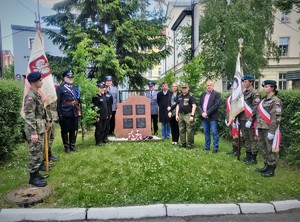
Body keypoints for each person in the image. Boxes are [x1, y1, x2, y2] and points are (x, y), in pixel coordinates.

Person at [24, 71, 48, 187]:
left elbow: (40, 112)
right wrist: (33, 132)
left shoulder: (36, 94)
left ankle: (37, 173)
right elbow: (29, 116)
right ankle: (33, 178)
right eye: (40, 80)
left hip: (39, 127)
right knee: (35, 152)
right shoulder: (30, 96)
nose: (42, 82)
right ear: (33, 82)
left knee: (39, 152)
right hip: (34, 129)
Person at [256, 80, 282, 177]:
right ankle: (266, 165)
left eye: (266, 86)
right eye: (264, 86)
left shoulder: (276, 101)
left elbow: (276, 117)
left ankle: (271, 169)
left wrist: (271, 131)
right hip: (261, 128)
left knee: (271, 149)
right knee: (263, 148)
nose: (264, 88)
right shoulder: (264, 100)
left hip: (269, 129)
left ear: (272, 88)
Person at [56, 70, 81, 153]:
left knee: (73, 129)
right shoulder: (60, 88)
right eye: (68, 77)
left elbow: (78, 100)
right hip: (65, 112)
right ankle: (66, 147)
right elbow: (58, 102)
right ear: (64, 78)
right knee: (65, 130)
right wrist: (59, 114)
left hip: (74, 112)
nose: (70, 78)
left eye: (71, 77)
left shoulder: (76, 88)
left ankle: (72, 146)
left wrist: (79, 110)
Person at [238, 74, 261, 164]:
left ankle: (253, 158)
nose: (244, 83)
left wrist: (251, 120)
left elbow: (256, 108)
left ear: (251, 82)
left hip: (251, 120)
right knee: (246, 138)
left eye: (246, 81)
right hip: (243, 119)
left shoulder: (255, 93)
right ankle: (248, 155)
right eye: (243, 81)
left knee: (252, 139)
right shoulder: (244, 93)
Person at [198, 80, 221, 153]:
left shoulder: (217, 94)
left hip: (212, 117)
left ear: (213, 86)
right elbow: (199, 105)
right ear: (206, 86)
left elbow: (216, 105)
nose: (208, 86)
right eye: (207, 85)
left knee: (214, 132)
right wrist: (202, 113)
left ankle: (215, 148)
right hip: (204, 117)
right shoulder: (203, 94)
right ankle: (207, 146)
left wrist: (207, 113)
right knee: (206, 132)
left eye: (210, 85)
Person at [176, 83, 196, 149]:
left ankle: (190, 144)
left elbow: (194, 106)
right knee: (181, 129)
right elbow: (178, 106)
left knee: (189, 130)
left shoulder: (191, 96)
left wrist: (192, 115)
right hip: (181, 114)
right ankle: (183, 144)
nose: (184, 89)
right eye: (183, 88)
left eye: (185, 88)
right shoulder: (179, 96)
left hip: (188, 114)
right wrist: (176, 115)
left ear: (188, 88)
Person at [92, 82, 110, 146]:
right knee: (99, 129)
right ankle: (98, 142)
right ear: (97, 88)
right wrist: (96, 116)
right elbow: (94, 108)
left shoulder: (103, 96)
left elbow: (105, 106)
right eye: (100, 88)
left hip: (105, 115)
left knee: (103, 129)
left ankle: (101, 140)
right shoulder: (96, 97)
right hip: (99, 116)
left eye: (103, 88)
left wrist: (107, 114)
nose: (102, 89)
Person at [225, 80, 239, 156]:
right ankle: (234, 149)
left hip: (235, 119)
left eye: (233, 87)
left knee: (236, 135)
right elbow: (227, 109)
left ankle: (237, 150)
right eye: (230, 88)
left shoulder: (238, 97)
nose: (231, 89)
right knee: (232, 134)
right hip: (230, 119)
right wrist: (226, 118)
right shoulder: (229, 97)